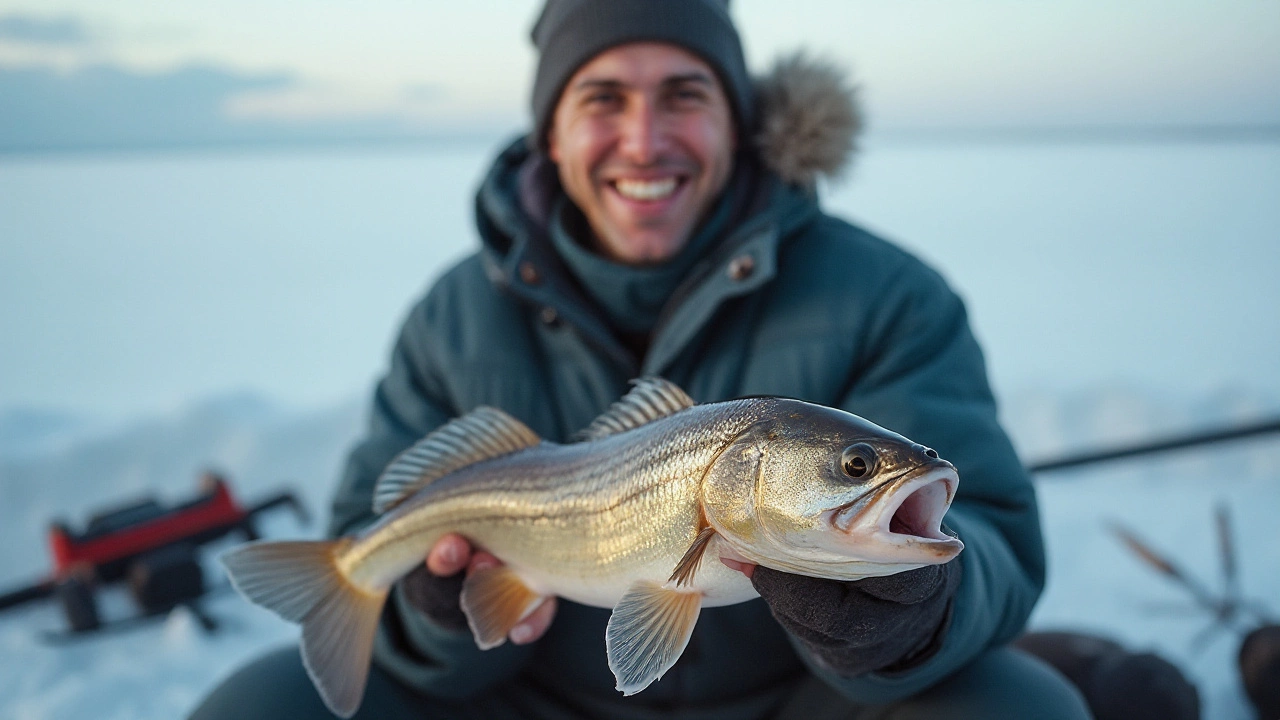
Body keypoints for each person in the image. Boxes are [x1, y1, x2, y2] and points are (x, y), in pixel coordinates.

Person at [192, 1, 1091, 718]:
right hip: (532, 701)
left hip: (801, 701)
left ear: (738, 121)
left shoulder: (888, 294)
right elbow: (374, 523)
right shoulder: (455, 314)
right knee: (262, 702)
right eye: (603, 98)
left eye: (685, 94)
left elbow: (997, 539)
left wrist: (917, 618)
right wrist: (437, 615)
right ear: (552, 132)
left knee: (1023, 705)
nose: (645, 139)